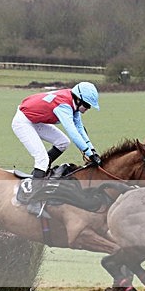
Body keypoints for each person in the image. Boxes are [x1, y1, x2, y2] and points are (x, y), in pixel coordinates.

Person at [12, 81, 102, 213]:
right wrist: (88, 153)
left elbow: (80, 129)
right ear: (78, 99)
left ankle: (41, 172)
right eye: (87, 105)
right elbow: (73, 132)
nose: (87, 109)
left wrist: (92, 151)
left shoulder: (73, 103)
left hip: (35, 120)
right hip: (23, 122)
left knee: (63, 142)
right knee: (41, 158)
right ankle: (33, 201)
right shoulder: (64, 106)